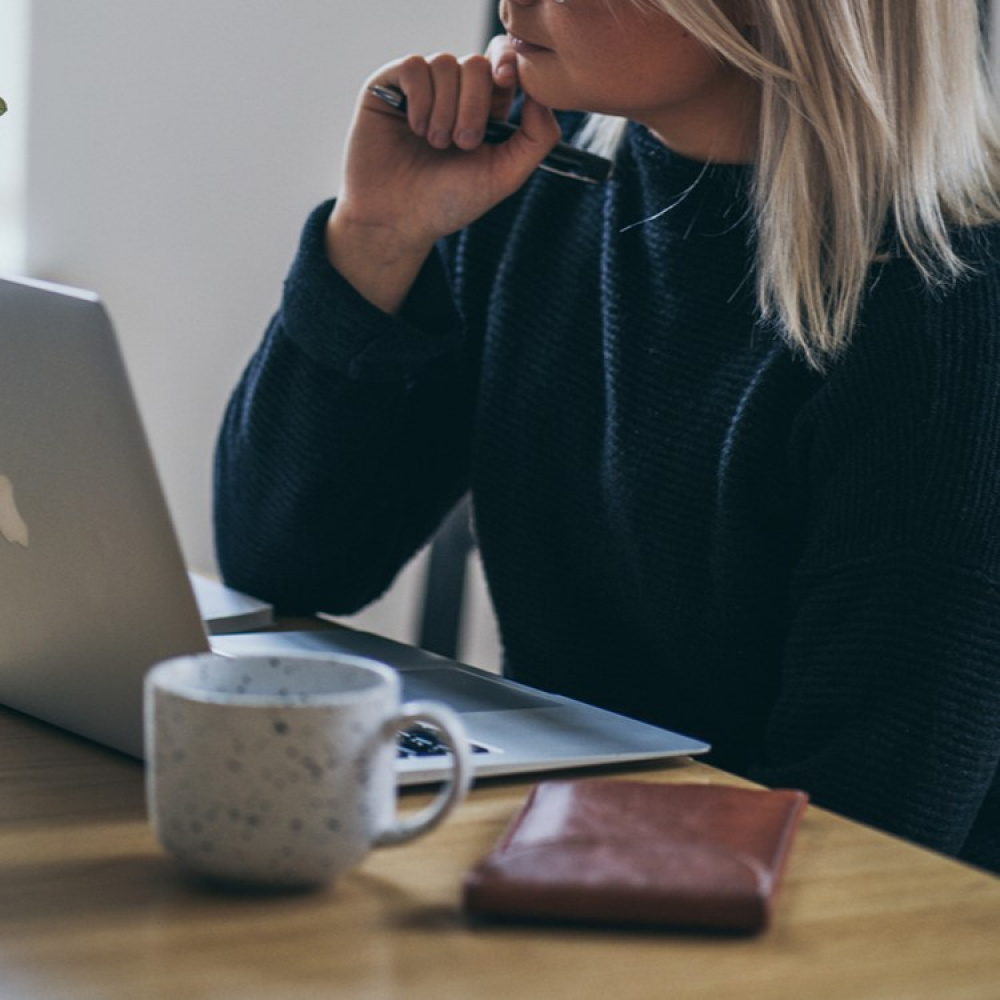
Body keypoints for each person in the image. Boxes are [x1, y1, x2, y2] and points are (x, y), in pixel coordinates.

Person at [214, 0, 1000, 873]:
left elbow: (869, 837)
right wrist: (374, 237)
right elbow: (284, 562)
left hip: (801, 923)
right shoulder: (533, 186)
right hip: (578, 853)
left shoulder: (949, 312)